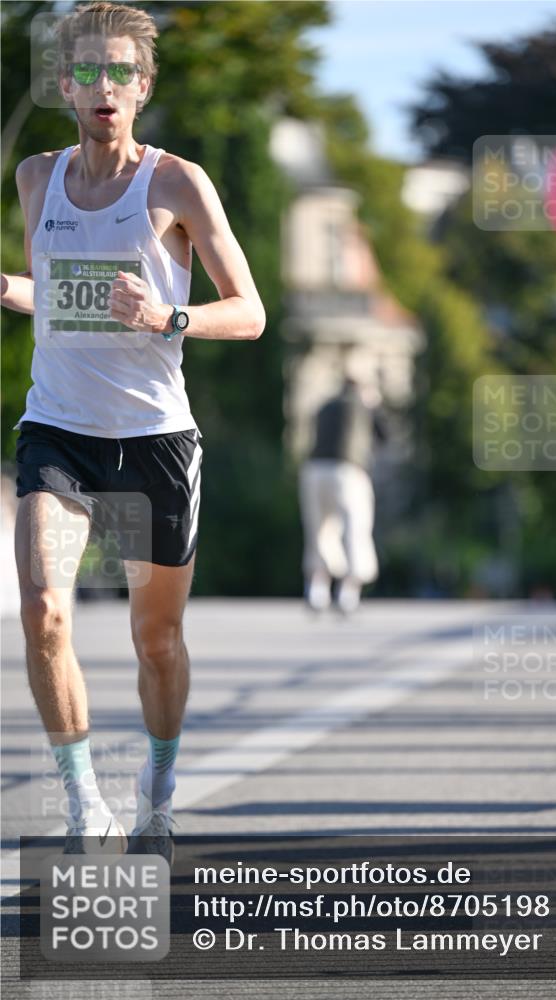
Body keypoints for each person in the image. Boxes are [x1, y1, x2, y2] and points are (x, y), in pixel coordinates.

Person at [1, 2, 265, 858]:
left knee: (156, 641)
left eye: (120, 72)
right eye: (85, 71)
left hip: (155, 439)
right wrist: (11, 290)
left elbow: (252, 313)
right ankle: (85, 807)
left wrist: (168, 316)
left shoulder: (177, 183)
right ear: (64, 86)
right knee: (42, 610)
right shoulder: (37, 179)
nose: (102, 86)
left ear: (142, 87)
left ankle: (157, 785)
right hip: (59, 430)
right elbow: (61, 297)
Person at [299, 376, 386, 615]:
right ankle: (349, 592)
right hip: (348, 470)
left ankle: (317, 589)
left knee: (319, 530)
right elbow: (384, 436)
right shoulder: (364, 406)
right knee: (355, 528)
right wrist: (374, 404)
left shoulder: (325, 406)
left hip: (314, 469)